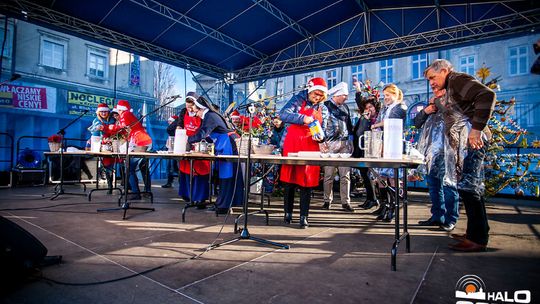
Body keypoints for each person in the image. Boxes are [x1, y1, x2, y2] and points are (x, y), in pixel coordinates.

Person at [424, 59, 496, 252]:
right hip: (464, 142)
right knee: (469, 187)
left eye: (433, 77)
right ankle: (476, 233)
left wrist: (476, 130)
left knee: (468, 187)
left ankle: (478, 239)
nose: (431, 82)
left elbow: (486, 95)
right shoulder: (449, 88)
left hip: (472, 140)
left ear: (445, 71)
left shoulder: (456, 80)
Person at [279, 77, 329, 228]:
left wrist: (322, 139)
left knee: (306, 181)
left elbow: (324, 129)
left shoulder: (323, 109)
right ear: (310, 91)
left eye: (320, 95)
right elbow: (283, 114)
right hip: (292, 143)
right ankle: (287, 213)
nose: (317, 97)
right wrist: (303, 118)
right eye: (315, 93)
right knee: (289, 180)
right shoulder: (297, 99)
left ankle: (304, 216)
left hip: (310, 145)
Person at [187, 96, 244, 215]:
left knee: (227, 176)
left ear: (201, 108)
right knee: (224, 176)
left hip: (228, 144)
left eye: (196, 111)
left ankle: (224, 205)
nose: (195, 113)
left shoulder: (210, 116)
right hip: (223, 145)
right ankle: (222, 203)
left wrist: (187, 140)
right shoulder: (209, 116)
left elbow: (203, 133)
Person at [414, 88, 459, 232]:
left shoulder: (451, 107)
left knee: (448, 185)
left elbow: (454, 118)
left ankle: (451, 219)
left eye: (439, 94)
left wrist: (439, 103)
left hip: (448, 153)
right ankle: (437, 216)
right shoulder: (430, 110)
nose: (435, 96)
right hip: (431, 154)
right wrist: (425, 111)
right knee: (434, 187)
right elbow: (415, 123)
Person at [371, 84, 407, 222]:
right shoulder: (386, 108)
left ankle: (393, 208)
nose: (385, 98)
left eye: (388, 95)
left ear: (395, 94)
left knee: (393, 178)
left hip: (395, 148)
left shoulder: (400, 107)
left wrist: (376, 125)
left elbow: (391, 122)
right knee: (381, 178)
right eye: (384, 95)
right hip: (384, 147)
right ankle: (384, 206)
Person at [108, 99, 153, 200]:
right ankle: (144, 191)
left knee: (130, 167)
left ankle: (136, 192)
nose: (116, 116)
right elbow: (123, 135)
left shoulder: (126, 114)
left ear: (120, 110)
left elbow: (121, 129)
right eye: (114, 115)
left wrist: (111, 128)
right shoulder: (127, 117)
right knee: (140, 166)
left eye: (117, 113)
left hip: (141, 141)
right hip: (141, 141)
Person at [322, 82, 354, 212]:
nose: (346, 98)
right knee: (328, 175)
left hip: (344, 143)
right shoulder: (325, 106)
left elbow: (349, 125)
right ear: (337, 95)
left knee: (345, 175)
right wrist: (322, 141)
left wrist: (351, 140)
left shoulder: (345, 107)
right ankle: (326, 201)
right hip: (330, 144)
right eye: (344, 95)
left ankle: (345, 202)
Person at [177, 92, 211, 208]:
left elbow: (204, 130)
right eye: (188, 107)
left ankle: (200, 199)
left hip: (199, 144)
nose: (190, 109)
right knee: (186, 169)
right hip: (186, 144)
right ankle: (187, 195)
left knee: (201, 170)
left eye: (192, 107)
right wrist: (179, 138)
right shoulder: (183, 112)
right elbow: (179, 125)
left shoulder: (201, 114)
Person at [352, 87, 381, 210]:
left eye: (371, 107)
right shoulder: (364, 116)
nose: (368, 110)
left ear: (376, 108)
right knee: (364, 174)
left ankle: (374, 199)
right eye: (367, 107)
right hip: (360, 149)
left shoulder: (376, 119)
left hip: (369, 150)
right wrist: (358, 91)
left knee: (368, 175)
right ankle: (370, 198)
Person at [87, 103, 116, 194]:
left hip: (115, 144)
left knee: (119, 164)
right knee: (107, 166)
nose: (103, 113)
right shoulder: (96, 120)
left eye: (105, 111)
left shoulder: (113, 120)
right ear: (98, 112)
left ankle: (126, 185)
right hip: (103, 146)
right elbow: (94, 134)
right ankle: (110, 186)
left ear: (108, 112)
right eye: (101, 111)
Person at [161, 114, 179, 188]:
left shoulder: (175, 129)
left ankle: (174, 181)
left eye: (170, 121)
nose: (169, 122)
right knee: (170, 167)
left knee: (173, 167)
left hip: (175, 150)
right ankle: (169, 181)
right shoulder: (171, 130)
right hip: (170, 149)